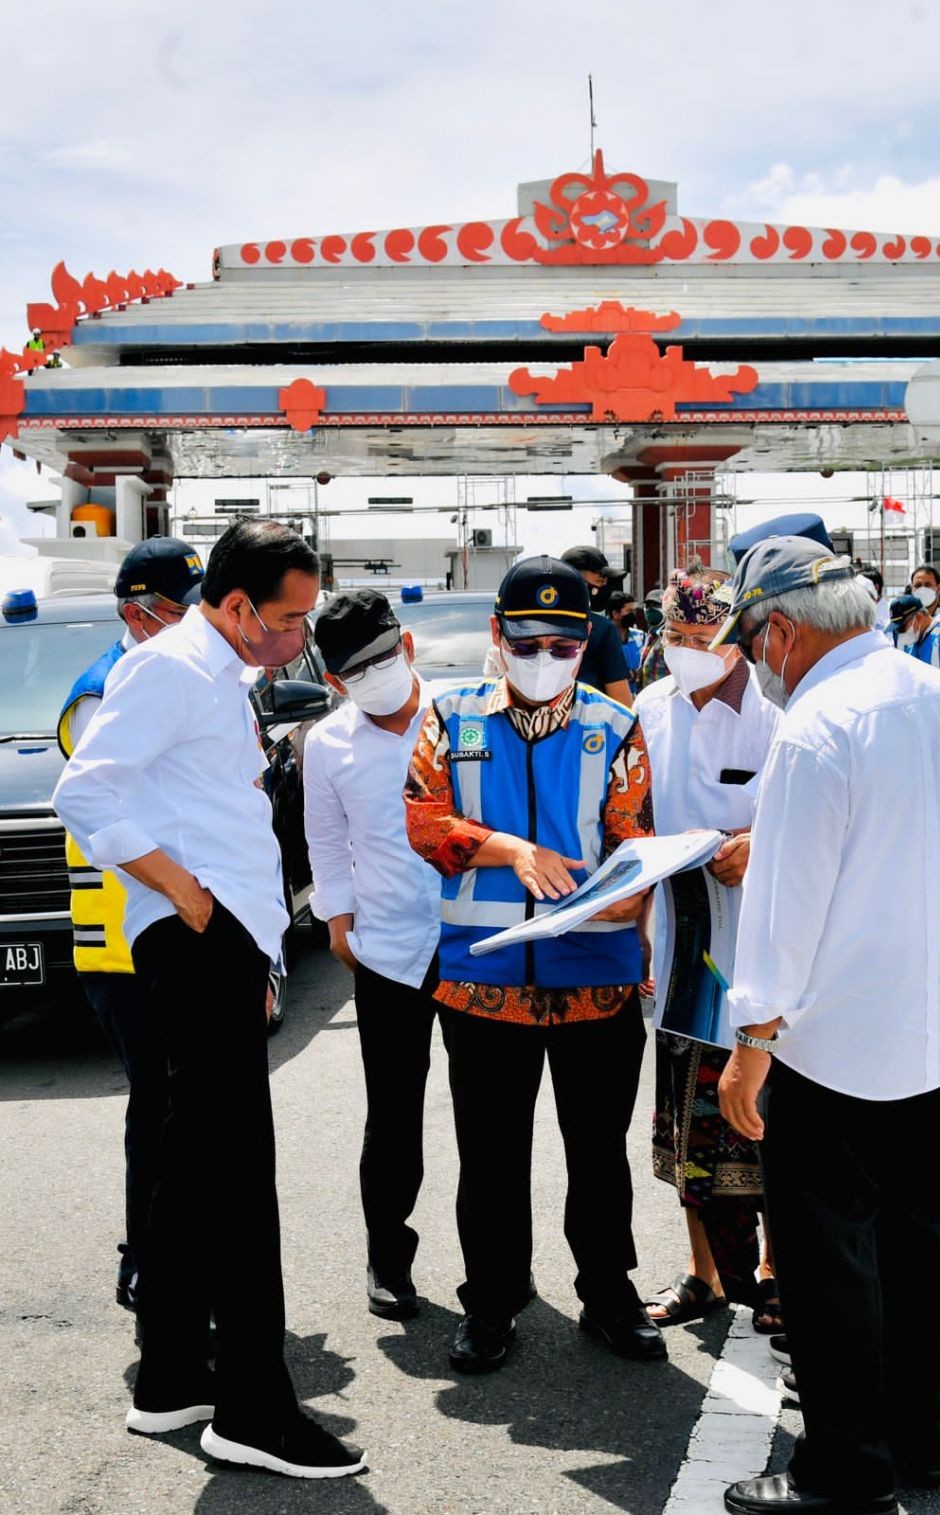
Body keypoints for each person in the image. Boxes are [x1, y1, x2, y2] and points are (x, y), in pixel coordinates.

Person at [53, 520, 367, 1480]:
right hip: (200, 937)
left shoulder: (219, 672)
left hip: (226, 938)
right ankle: (254, 1411)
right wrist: (184, 889)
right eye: (289, 618)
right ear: (236, 607)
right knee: (237, 1176)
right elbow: (85, 792)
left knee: (190, 1165)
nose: (298, 637)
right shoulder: (170, 668)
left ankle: (172, 1376)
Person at [710, 535, 940, 1514]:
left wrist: (750, 1041)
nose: (754, 664)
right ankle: (922, 1439)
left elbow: (785, 906)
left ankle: (845, 1467)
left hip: (833, 1038)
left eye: (751, 643)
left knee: (829, 1251)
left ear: (780, 629)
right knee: (919, 1226)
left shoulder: (818, 725)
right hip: (938, 1024)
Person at [404, 555, 663, 1373]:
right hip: (483, 984)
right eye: (528, 639)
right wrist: (509, 849)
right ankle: (491, 1299)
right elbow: (423, 823)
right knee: (489, 1153)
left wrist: (636, 893)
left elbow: (634, 837)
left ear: (588, 642)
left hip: (596, 979)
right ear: (498, 635)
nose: (546, 655)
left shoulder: (613, 726)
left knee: (598, 1151)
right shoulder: (450, 718)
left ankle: (609, 1293)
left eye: (565, 641)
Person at [56, 537, 205, 1317]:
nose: (193, 623)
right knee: (158, 1106)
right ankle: (146, 1262)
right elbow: (116, 810)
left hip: (176, 927)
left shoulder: (178, 671)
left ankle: (177, 1259)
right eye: (179, 610)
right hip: (124, 941)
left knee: (185, 1107)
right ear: (134, 612)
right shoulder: (102, 689)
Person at [635, 572, 783, 1334]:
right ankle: (704, 1274)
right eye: (676, 641)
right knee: (685, 1127)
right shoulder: (647, 710)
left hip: (761, 954)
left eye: (703, 642)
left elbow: (811, 819)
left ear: (737, 642)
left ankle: (775, 1272)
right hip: (679, 950)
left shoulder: (778, 716)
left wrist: (759, 846)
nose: (688, 655)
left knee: (765, 1121)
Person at [304, 590, 442, 1318]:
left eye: (388, 655)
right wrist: (337, 920)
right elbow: (325, 841)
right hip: (386, 947)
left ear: (409, 643)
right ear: (335, 682)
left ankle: (496, 1270)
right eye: (360, 670)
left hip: (472, 941)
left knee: (490, 1114)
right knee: (392, 1113)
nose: (380, 674)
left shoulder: (461, 713)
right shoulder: (327, 743)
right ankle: (387, 1255)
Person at [559, 545, 633, 704]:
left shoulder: (536, 627)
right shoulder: (603, 629)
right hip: (590, 724)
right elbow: (622, 702)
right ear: (574, 578)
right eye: (600, 579)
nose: (604, 584)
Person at [607, 588, 642, 691]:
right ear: (615, 613)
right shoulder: (604, 638)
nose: (632, 615)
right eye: (629, 611)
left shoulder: (640, 637)